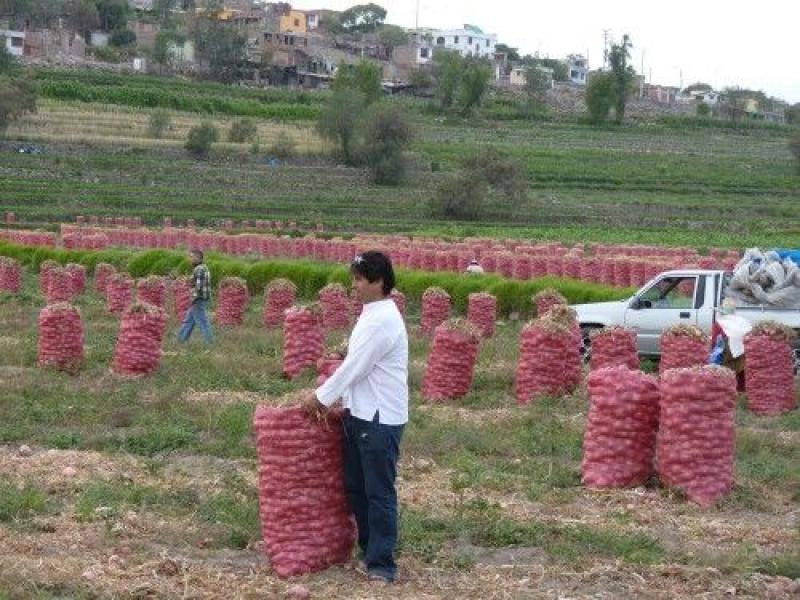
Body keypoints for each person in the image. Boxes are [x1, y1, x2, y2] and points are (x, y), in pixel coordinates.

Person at [303, 251, 408, 584]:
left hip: (379, 418)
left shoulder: (383, 319)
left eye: (359, 279)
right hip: (360, 413)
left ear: (378, 281)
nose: (354, 286)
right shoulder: (371, 313)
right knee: (356, 488)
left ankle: (382, 563)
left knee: (378, 491)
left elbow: (356, 366)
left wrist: (321, 397)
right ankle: (368, 549)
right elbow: (356, 361)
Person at [710, 298, 751, 391]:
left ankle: (729, 392)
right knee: (741, 372)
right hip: (742, 352)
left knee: (727, 374)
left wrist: (712, 352)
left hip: (727, 354)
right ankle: (741, 392)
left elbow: (714, 341)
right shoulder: (741, 321)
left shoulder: (719, 323)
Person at [177, 249, 214, 344]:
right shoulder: (203, 268)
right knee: (188, 321)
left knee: (203, 322)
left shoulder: (199, 269)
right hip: (199, 298)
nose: (190, 259)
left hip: (198, 299)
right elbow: (195, 282)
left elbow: (198, 287)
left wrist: (193, 299)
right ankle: (180, 340)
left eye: (192, 257)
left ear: (198, 258)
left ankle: (210, 342)